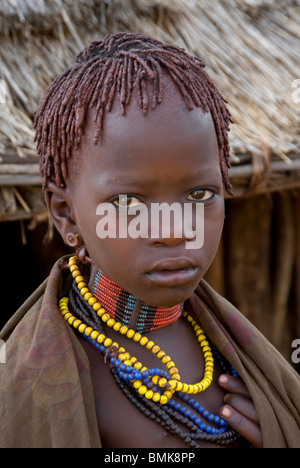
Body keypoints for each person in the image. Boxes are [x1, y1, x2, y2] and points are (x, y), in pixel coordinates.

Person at [0, 33, 299, 449]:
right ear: (66, 213)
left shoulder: (248, 363)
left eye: (200, 194)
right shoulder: (31, 382)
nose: (174, 229)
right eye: (127, 201)